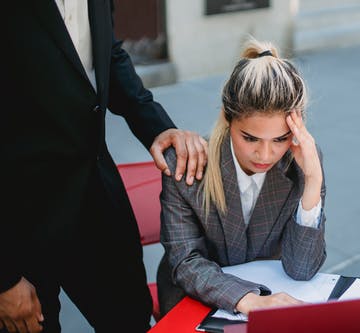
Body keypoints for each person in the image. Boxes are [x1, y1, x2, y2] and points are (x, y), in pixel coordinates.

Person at [1, 2, 207, 333]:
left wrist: (157, 127)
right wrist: (4, 277)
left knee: (130, 318)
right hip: (21, 218)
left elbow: (107, 54)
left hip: (95, 191)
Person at [157, 37, 327, 316]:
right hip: (195, 299)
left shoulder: (304, 162)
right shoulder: (186, 165)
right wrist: (247, 300)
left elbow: (302, 268)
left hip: (272, 294)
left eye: (280, 139)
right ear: (227, 118)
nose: (265, 154)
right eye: (250, 138)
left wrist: (313, 183)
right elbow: (185, 261)